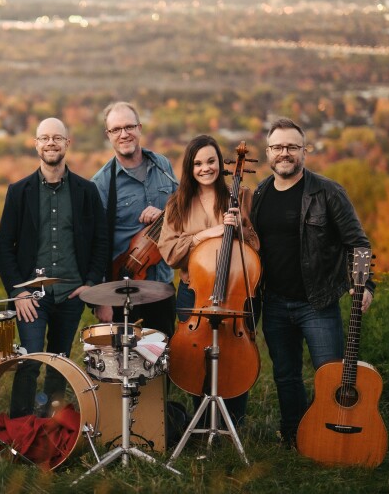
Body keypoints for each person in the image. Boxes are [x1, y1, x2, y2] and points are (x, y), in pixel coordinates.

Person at [249, 117, 374, 446]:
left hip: (317, 303)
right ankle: (294, 435)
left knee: (330, 375)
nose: (284, 153)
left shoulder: (327, 192)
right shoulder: (260, 194)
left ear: (304, 151)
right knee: (286, 376)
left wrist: (367, 286)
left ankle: (332, 436)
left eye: (292, 146)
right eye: (277, 147)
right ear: (268, 152)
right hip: (274, 303)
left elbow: (357, 242)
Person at [0, 117, 108, 418]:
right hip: (32, 297)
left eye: (57, 138)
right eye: (44, 138)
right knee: (31, 360)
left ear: (67, 143)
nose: (51, 143)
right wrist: (17, 294)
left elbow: (101, 242)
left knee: (60, 363)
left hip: (72, 293)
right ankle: (19, 429)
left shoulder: (87, 191)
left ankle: (51, 429)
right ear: (36, 144)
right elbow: (4, 248)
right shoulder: (19, 191)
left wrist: (91, 282)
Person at [157, 134, 260, 427]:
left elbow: (256, 247)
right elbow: (170, 253)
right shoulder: (177, 204)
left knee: (234, 357)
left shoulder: (241, 196)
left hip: (236, 290)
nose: (205, 168)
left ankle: (233, 423)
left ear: (220, 163)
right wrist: (206, 235)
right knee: (195, 357)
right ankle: (202, 423)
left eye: (211, 161)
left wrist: (240, 225)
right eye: (198, 163)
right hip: (194, 293)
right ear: (190, 167)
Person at [91, 102, 178, 337]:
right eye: (116, 129)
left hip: (162, 286)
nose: (124, 134)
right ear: (108, 135)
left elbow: (184, 213)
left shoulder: (163, 166)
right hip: (122, 291)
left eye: (129, 126)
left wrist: (164, 216)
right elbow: (94, 245)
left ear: (139, 128)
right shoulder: (100, 184)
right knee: (125, 367)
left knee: (164, 361)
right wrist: (101, 301)